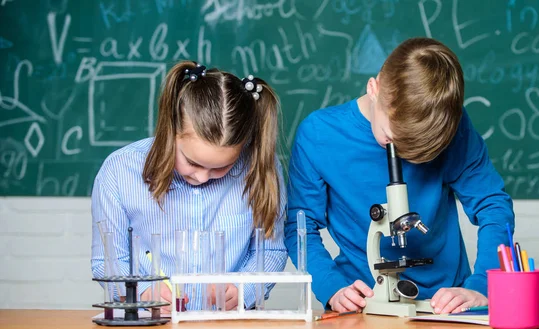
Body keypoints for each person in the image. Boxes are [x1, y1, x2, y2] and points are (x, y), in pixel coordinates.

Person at [284, 38, 514, 315]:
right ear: (373, 88)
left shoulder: (454, 126)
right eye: (393, 141)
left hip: (448, 306)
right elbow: (300, 227)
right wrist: (331, 287)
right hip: (361, 303)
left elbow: (493, 206)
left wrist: (481, 286)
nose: (406, 157)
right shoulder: (319, 135)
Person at [91, 61, 287, 312]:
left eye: (220, 168)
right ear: (170, 130)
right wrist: (143, 290)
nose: (203, 177)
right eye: (192, 162)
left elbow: (271, 251)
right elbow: (106, 261)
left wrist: (243, 289)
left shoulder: (260, 171)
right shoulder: (120, 171)